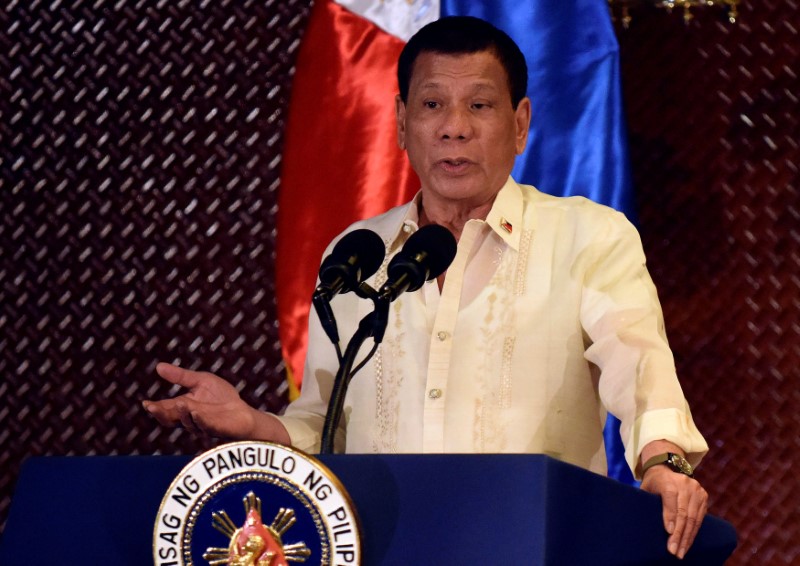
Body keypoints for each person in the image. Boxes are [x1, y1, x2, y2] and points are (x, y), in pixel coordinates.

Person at [143, 16, 709, 559]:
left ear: (520, 124)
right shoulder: (357, 253)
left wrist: (664, 464)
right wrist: (254, 426)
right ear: (400, 122)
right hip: (382, 547)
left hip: (531, 545)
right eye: (432, 104)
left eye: (479, 105)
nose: (454, 126)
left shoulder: (586, 235)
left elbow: (639, 369)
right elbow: (323, 425)